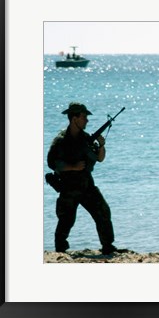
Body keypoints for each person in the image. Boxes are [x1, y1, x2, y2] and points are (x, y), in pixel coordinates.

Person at [47, 102, 118, 255]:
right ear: (74, 119)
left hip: (87, 185)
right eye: (84, 117)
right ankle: (60, 250)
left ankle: (108, 246)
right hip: (69, 187)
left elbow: (100, 159)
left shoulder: (86, 138)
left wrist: (101, 145)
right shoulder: (61, 140)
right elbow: (52, 163)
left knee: (103, 212)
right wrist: (72, 167)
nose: (87, 120)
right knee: (66, 220)